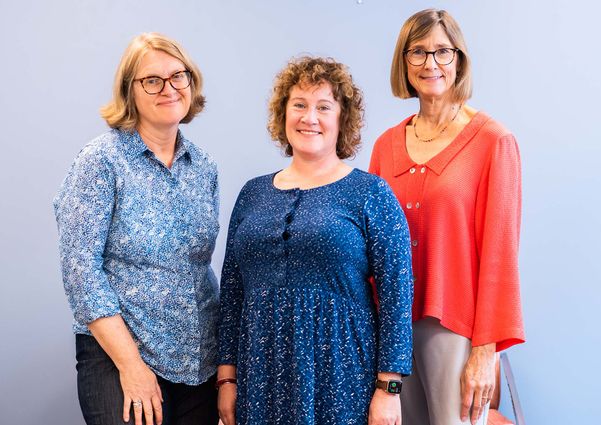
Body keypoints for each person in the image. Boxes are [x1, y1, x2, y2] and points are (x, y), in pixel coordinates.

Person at [216, 56, 413, 425]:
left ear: (342, 118)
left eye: (324, 107)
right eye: (299, 105)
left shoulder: (370, 193)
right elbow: (231, 292)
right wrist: (226, 377)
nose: (310, 118)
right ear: (283, 114)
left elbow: (396, 295)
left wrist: (389, 389)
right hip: (259, 375)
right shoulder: (252, 194)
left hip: (341, 375)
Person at [368, 9, 525, 425]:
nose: (430, 63)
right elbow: (370, 249)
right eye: (417, 52)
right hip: (391, 331)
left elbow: (500, 256)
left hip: (454, 325)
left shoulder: (493, 141)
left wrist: (484, 351)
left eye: (441, 51)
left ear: (459, 59)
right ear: (404, 62)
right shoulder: (386, 146)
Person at [54, 33, 220, 425]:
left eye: (178, 76)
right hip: (119, 356)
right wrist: (132, 367)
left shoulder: (204, 167)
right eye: (152, 80)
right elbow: (81, 274)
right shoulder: (101, 162)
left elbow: (201, 267)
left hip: (197, 359)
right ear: (130, 91)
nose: (169, 88)